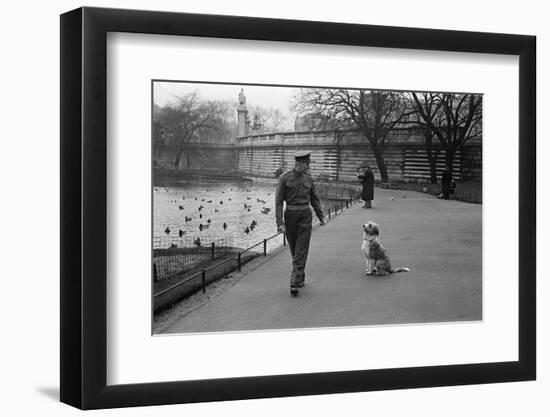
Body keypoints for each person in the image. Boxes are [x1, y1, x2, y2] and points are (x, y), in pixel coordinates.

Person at [275, 151, 325, 296]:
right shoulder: (284, 179)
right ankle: (300, 275)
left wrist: (321, 216)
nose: (308, 167)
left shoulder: (309, 179)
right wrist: (280, 223)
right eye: (307, 165)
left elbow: (314, 199)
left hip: (305, 216)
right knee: (295, 249)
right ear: (300, 164)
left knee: (301, 249)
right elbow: (278, 202)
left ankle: (294, 282)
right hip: (290, 216)